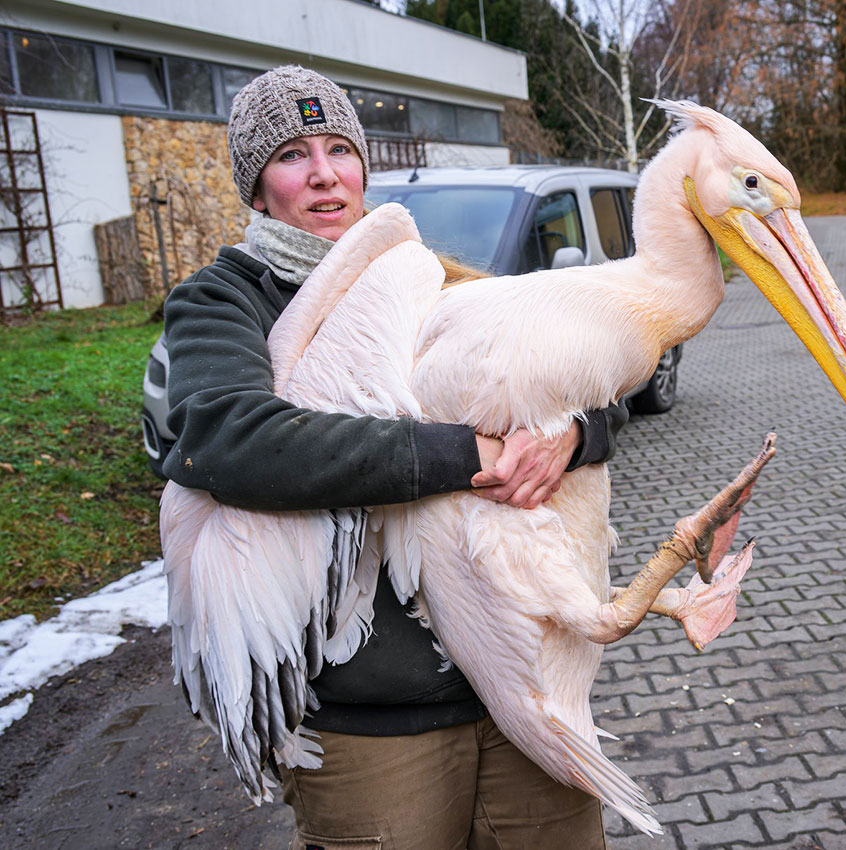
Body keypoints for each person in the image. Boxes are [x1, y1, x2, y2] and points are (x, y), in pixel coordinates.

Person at [162, 65, 624, 850]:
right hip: (375, 728)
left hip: (520, 687)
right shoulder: (226, 299)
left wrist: (570, 437)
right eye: (292, 155)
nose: (323, 174)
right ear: (257, 184)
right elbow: (228, 439)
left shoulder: (427, 275)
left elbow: (585, 387)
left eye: (340, 147)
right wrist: (470, 452)